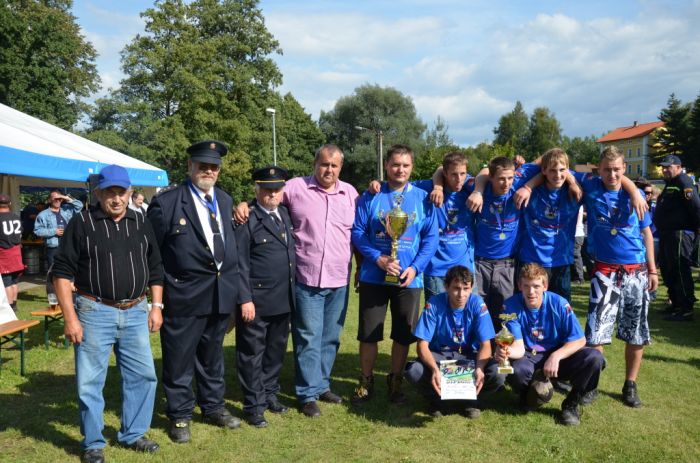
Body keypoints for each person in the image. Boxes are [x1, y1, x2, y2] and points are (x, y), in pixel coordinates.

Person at [234, 144, 358, 418]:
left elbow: (357, 233)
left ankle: (322, 384)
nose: (329, 170)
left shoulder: (350, 193)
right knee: (308, 336)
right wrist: (244, 204)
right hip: (306, 277)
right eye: (324, 164)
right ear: (315, 164)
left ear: (341, 168)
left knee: (331, 337)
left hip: (339, 278)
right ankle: (307, 394)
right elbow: (268, 196)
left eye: (334, 165)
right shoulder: (296, 187)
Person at [52, 165, 164, 463]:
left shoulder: (141, 222)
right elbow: (61, 273)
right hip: (93, 311)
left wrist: (156, 306)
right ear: (98, 193)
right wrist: (70, 318)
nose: (117, 199)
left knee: (143, 375)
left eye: (122, 192)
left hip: (136, 311)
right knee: (90, 381)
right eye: (110, 193)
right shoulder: (82, 222)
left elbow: (155, 268)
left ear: (130, 193)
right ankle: (93, 442)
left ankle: (134, 433)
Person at [148, 140, 242, 443]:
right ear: (190, 166)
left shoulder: (225, 201)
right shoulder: (167, 203)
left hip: (218, 294)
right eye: (203, 165)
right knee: (179, 360)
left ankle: (213, 406)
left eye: (214, 166)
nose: (208, 171)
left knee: (212, 356)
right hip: (183, 297)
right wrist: (158, 301)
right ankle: (179, 416)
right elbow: (154, 256)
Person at [351, 144, 438, 404]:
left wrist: (415, 268)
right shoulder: (371, 195)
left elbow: (431, 239)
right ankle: (365, 382)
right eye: (395, 164)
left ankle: (395, 381)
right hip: (373, 276)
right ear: (386, 166)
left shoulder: (424, 198)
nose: (400, 169)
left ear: (412, 168)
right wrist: (378, 259)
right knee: (368, 333)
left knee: (403, 334)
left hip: (409, 278)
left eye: (405, 165)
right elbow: (357, 232)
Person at [580, 146, 658, 408]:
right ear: (598, 170)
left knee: (636, 333)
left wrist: (653, 269)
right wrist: (633, 187)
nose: (612, 174)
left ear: (624, 169)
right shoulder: (591, 189)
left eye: (617, 170)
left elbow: (647, 235)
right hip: (604, 271)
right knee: (596, 332)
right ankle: (591, 385)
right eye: (607, 169)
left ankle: (630, 385)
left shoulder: (636, 199)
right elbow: (561, 171)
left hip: (636, 272)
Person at [495, 263, 604, 426]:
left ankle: (571, 404)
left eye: (536, 286)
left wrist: (556, 355)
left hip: (557, 354)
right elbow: (517, 347)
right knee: (517, 371)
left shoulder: (559, 304)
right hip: (528, 354)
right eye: (526, 286)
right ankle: (527, 396)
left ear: (545, 286)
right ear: (519, 286)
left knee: (594, 358)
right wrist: (506, 352)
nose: (531, 292)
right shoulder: (510, 306)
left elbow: (580, 340)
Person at [235, 166, 295, 428]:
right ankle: (253, 405)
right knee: (252, 354)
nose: (272, 194)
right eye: (267, 189)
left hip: (283, 297)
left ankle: (270, 393)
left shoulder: (284, 213)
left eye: (277, 189)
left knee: (275, 351)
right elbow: (239, 263)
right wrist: (244, 298)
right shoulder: (246, 218)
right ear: (257, 190)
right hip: (256, 301)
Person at [404, 265, 504, 418]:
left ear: (471, 288)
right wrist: (434, 370)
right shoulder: (434, 304)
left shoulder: (478, 304)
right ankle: (436, 399)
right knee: (414, 370)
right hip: (440, 356)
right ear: (446, 287)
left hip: (469, 356)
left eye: (466, 288)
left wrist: (480, 368)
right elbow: (422, 345)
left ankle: (471, 400)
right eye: (456, 288)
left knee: (498, 373)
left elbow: (486, 345)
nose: (461, 294)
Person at [653, 155, 700, 321]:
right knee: (668, 269)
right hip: (668, 233)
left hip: (680, 233)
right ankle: (676, 304)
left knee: (680, 269)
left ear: (679, 167)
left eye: (668, 167)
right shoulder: (671, 184)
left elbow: (695, 206)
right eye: (663, 167)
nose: (665, 170)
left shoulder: (684, 182)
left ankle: (686, 308)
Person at [33, 189, 83, 270]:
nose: (57, 200)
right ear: (49, 200)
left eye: (59, 199)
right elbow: (37, 231)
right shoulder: (43, 215)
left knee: (69, 269)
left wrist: (63, 196)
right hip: (53, 247)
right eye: (54, 198)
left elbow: (79, 205)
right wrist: (54, 231)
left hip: (69, 245)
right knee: (54, 271)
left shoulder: (67, 210)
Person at [0, 195, 23, 312]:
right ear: (9, 204)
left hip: (5, 254)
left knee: (6, 283)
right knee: (14, 281)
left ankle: (9, 308)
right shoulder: (16, 217)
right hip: (16, 252)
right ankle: (14, 304)